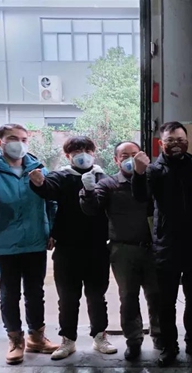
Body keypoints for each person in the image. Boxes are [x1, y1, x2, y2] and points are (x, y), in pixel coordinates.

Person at [0, 123, 59, 364]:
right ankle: (15, 340)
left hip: (35, 241)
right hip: (5, 242)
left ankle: (36, 337)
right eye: (12, 138)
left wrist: (52, 230)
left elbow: (51, 202)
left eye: (23, 139)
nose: (18, 143)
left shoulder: (38, 169)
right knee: (9, 294)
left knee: (35, 293)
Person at [29, 136, 116, 360]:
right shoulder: (61, 176)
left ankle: (100, 337)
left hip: (97, 247)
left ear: (94, 153)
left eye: (87, 150)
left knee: (97, 296)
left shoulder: (102, 178)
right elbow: (48, 189)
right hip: (67, 248)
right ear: (68, 156)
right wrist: (38, 182)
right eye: (76, 151)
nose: (82, 155)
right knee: (67, 297)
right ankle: (68, 340)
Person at [131, 122, 192, 367]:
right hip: (166, 245)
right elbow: (141, 197)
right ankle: (169, 346)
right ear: (160, 143)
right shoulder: (154, 170)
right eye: (170, 140)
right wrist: (138, 173)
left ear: (187, 142)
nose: (176, 144)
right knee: (167, 301)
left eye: (180, 140)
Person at [80, 141, 163, 362]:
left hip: (152, 249)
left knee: (156, 296)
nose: (130, 159)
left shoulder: (152, 181)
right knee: (128, 298)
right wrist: (87, 191)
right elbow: (91, 208)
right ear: (116, 160)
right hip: (123, 250)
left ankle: (160, 336)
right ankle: (133, 341)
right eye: (124, 156)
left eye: (134, 154)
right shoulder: (109, 184)